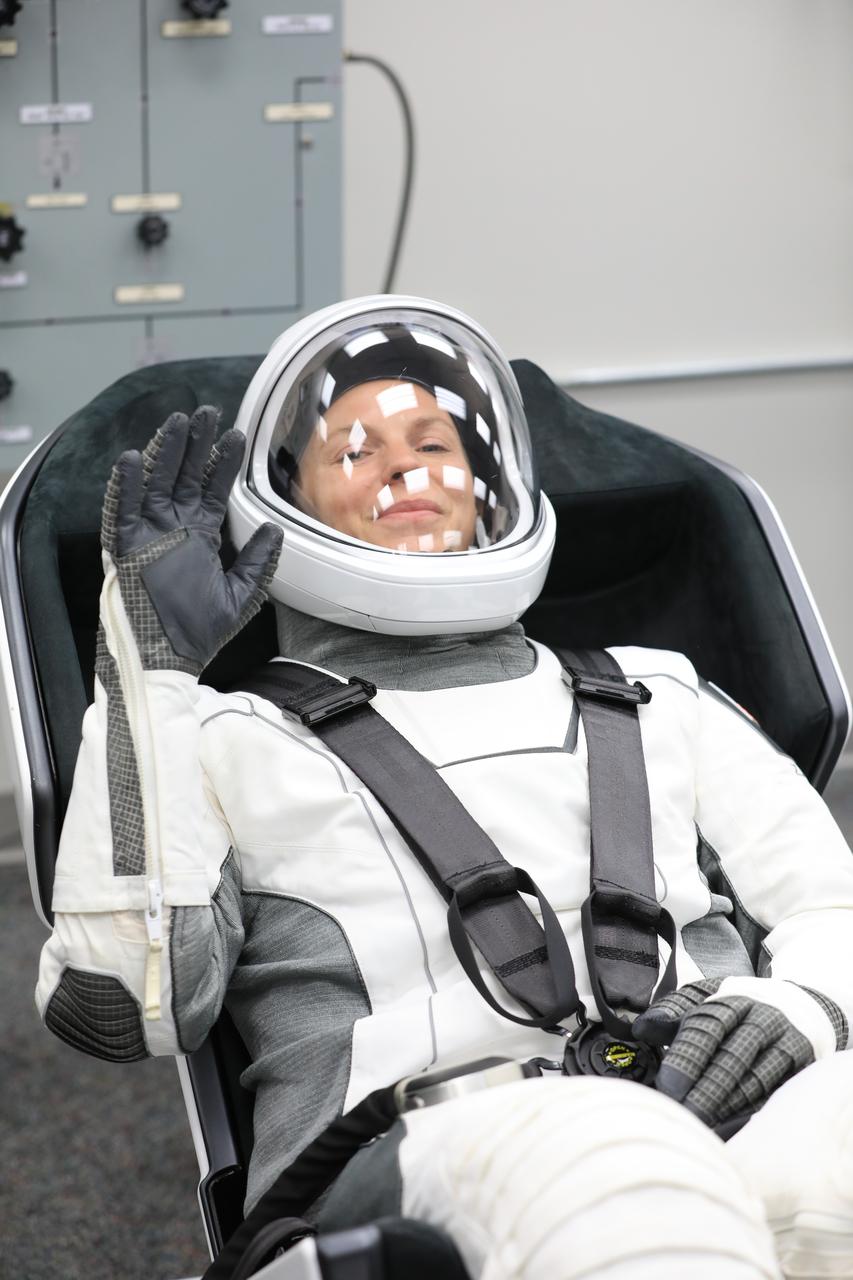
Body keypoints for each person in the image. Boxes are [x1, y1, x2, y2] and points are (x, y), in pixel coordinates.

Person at [36, 296, 853, 1280]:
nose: (404, 464)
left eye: (434, 440)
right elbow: (120, 1005)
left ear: (488, 483)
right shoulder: (219, 737)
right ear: (285, 505)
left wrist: (798, 1012)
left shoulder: (659, 691)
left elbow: (828, 904)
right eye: (356, 449)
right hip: (410, 1164)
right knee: (612, 1173)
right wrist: (147, 669)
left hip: (720, 1104)